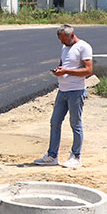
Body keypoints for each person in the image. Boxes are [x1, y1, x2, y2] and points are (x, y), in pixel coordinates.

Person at [35, 24, 92, 169]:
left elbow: (88, 70)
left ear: (71, 35)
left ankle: (76, 156)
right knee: (55, 122)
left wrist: (66, 70)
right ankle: (52, 155)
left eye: (64, 39)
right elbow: (64, 64)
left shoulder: (84, 47)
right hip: (63, 91)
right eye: (60, 40)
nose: (62, 42)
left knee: (75, 124)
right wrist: (59, 70)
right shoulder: (65, 47)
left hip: (76, 91)